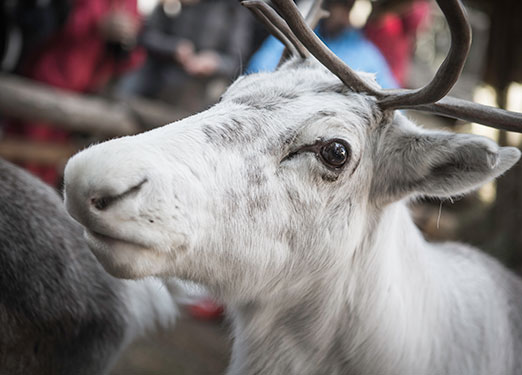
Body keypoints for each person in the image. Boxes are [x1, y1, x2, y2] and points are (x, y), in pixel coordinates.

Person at [4, 0, 144, 186]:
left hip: (85, 92)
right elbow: (47, 23)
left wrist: (126, 41)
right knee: (23, 157)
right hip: (46, 80)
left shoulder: (131, 4)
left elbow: (131, 58)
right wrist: (97, 25)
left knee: (51, 160)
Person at [116, 0, 254, 111]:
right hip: (157, 76)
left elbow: (236, 60)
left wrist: (215, 62)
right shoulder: (172, 4)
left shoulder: (234, 10)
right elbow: (146, 36)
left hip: (199, 89)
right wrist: (174, 48)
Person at [246, 0, 398, 89]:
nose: (345, 18)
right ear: (331, 4)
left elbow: (391, 99)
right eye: (344, 7)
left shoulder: (366, 54)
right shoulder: (293, 34)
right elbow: (258, 68)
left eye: (351, 10)